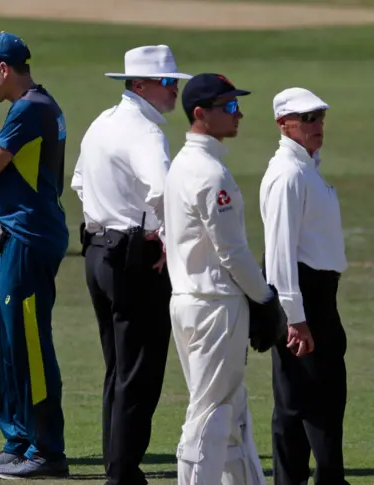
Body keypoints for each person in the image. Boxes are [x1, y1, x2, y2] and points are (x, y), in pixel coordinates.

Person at [70, 45, 191, 485]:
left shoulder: (103, 121)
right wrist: (160, 236)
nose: (174, 91)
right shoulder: (144, 131)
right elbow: (165, 191)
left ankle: (117, 466)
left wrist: (108, 218)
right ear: (140, 85)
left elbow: (79, 182)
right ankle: (122, 473)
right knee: (139, 371)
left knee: (119, 369)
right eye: (167, 83)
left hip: (99, 253)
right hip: (133, 260)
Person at [0, 32, 69, 480]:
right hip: (15, 235)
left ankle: (46, 451)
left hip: (30, 238)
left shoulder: (29, 109)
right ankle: (17, 440)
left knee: (28, 344)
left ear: (4, 69)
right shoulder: (35, 106)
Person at [164, 73, 277, 485]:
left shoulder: (183, 164)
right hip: (215, 304)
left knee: (228, 406)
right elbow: (232, 251)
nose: (239, 114)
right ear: (200, 114)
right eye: (228, 106)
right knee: (210, 410)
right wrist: (265, 298)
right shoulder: (210, 173)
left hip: (191, 300)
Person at [260, 88, 350, 485]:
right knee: (315, 399)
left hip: (315, 294)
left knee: (300, 399)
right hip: (302, 295)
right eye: (308, 118)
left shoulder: (306, 168)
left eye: (320, 117)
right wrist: (294, 317)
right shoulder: (289, 174)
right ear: (284, 124)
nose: (317, 125)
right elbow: (279, 251)